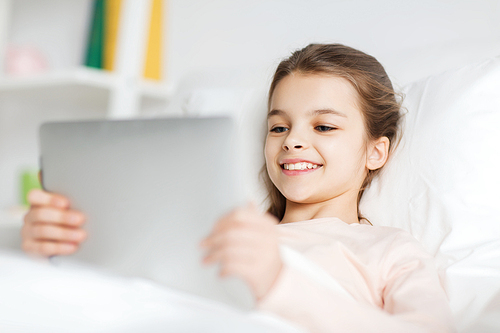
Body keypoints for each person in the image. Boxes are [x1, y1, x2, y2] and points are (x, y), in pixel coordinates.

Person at [22, 44, 455, 332]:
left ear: (376, 152)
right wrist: (57, 250)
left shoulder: (388, 250)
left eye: (323, 125)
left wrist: (278, 282)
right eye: (279, 126)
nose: (293, 140)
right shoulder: (212, 227)